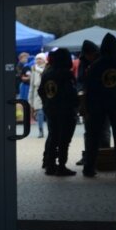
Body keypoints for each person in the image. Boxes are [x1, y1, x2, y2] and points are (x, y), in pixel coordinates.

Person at [83, 33, 116, 177]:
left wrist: (88, 107)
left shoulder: (95, 65)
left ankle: (89, 167)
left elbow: (89, 88)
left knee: (93, 136)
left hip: (98, 104)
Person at [38, 48, 79, 176]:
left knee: (53, 137)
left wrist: (47, 103)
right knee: (64, 139)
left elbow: (41, 91)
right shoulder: (66, 74)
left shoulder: (47, 73)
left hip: (50, 109)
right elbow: (70, 93)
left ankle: (50, 165)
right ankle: (61, 166)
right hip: (65, 110)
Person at [27, 52, 48, 138]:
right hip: (37, 92)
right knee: (39, 112)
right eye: (37, 59)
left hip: (47, 91)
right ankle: (41, 130)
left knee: (48, 113)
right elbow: (32, 84)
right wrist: (30, 97)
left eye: (40, 58)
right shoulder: (33, 68)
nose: (38, 60)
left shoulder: (47, 67)